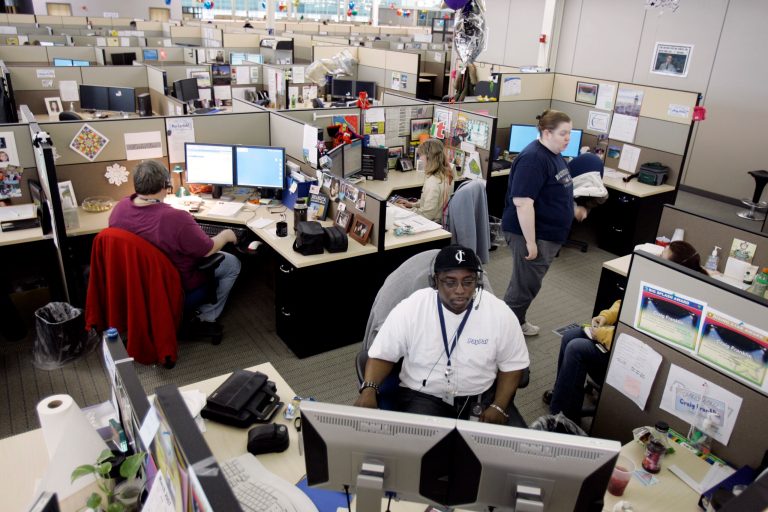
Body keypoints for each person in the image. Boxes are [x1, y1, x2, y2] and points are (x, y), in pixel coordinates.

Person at [355, 245, 530, 426]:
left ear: (478, 282)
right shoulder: (412, 308)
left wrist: (499, 406)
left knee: (486, 452)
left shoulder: (500, 313)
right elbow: (382, 354)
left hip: (478, 396)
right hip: (423, 396)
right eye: (450, 282)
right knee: (422, 450)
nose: (460, 290)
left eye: (468, 281)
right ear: (435, 281)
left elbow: (513, 364)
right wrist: (369, 389)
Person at [543, 240, 706, 421]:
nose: (657, 258)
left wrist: (603, 334)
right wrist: (606, 316)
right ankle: (562, 397)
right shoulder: (660, 282)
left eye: (662, 257)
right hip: (621, 341)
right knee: (570, 336)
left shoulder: (677, 306)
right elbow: (626, 301)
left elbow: (643, 339)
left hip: (635, 358)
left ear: (675, 268)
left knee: (576, 348)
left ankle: (563, 418)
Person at [109, 160, 241, 337]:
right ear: (166, 184)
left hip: (137, 283)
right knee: (232, 263)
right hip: (176, 284)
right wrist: (226, 235)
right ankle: (206, 316)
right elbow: (207, 250)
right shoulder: (175, 218)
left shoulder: (120, 208)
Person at [501, 110, 587, 336]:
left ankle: (514, 322)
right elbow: (522, 203)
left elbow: (555, 190)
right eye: (563, 133)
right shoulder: (533, 159)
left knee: (529, 282)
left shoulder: (554, 153)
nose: (568, 138)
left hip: (547, 233)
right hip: (530, 234)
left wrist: (572, 208)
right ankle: (505, 331)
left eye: (569, 133)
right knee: (524, 285)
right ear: (547, 133)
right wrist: (531, 242)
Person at [396, 138, 454, 224]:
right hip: (442, 221)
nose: (420, 158)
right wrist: (412, 204)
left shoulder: (433, 182)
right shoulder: (447, 174)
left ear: (428, 157)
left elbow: (427, 215)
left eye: (421, 155)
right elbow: (431, 205)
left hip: (431, 224)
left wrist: (404, 210)